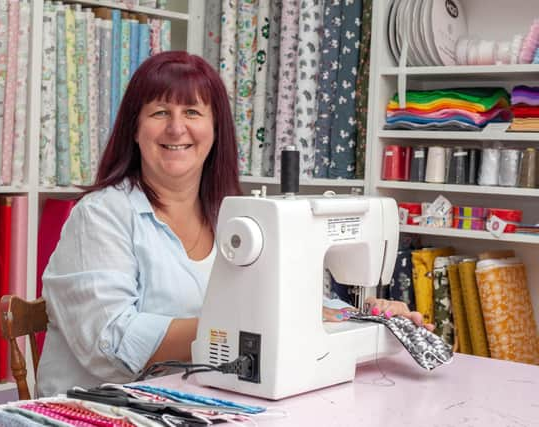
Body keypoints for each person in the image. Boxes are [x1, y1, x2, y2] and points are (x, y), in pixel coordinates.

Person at [37, 51, 431, 397]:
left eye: (192, 112)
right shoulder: (100, 216)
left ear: (214, 130)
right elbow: (111, 343)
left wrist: (364, 316)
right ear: (135, 129)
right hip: (97, 409)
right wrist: (249, 327)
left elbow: (290, 300)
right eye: (160, 113)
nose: (177, 128)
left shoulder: (235, 218)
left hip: (192, 400)